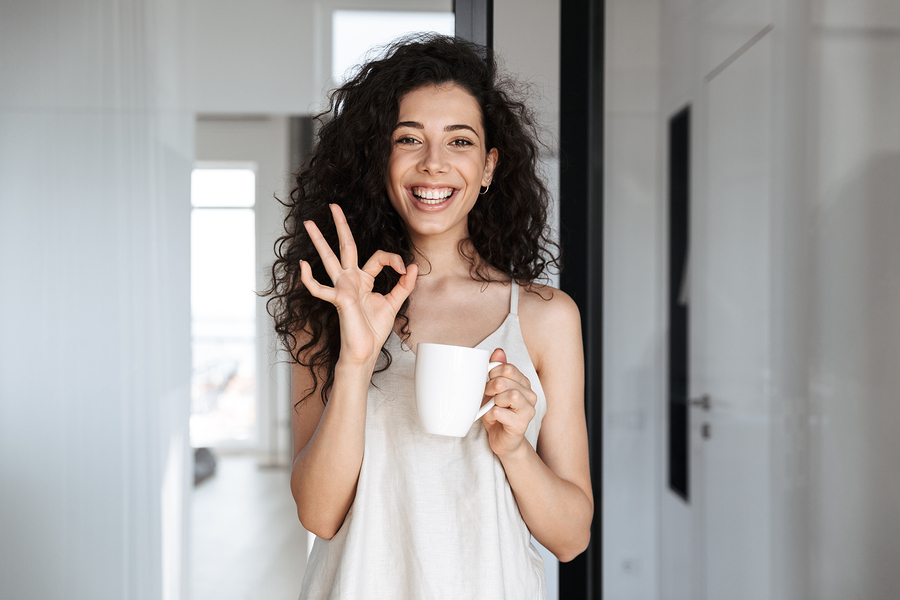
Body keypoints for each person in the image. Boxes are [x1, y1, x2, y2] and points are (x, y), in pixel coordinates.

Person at [265, 33, 592, 600]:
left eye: (459, 141)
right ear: (379, 159)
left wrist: (514, 447)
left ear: (488, 166)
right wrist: (356, 361)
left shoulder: (546, 317)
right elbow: (318, 515)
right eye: (407, 139)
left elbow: (570, 538)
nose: (434, 163)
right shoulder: (329, 309)